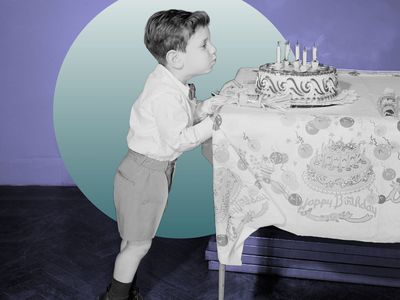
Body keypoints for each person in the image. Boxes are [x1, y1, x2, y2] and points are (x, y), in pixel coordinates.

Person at [99, 9, 224, 300]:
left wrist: (202, 109)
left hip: (149, 171)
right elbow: (179, 139)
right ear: (176, 58)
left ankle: (123, 290)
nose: (213, 50)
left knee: (134, 241)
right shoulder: (165, 95)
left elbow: (183, 114)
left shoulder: (169, 82)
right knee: (138, 246)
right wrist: (214, 124)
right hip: (145, 175)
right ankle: (115, 297)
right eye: (204, 45)